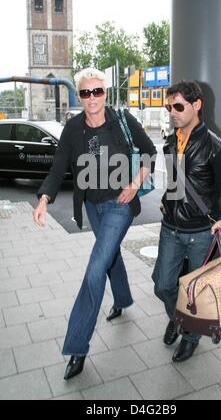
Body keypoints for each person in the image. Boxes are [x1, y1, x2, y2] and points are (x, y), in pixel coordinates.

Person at [33, 67, 156, 380]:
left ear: (105, 92)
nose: (92, 98)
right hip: (92, 205)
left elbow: (150, 152)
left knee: (95, 267)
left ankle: (77, 347)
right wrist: (44, 199)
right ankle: (124, 298)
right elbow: (59, 166)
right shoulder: (73, 128)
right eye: (85, 93)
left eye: (97, 91)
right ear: (79, 95)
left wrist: (133, 184)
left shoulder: (123, 121)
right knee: (109, 255)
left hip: (121, 204)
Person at [152, 80, 221, 362]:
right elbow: (180, 183)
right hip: (171, 227)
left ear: (196, 105)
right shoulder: (172, 142)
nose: (172, 112)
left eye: (178, 106)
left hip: (202, 232)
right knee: (163, 285)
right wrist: (168, 200)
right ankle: (179, 318)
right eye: (169, 107)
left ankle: (189, 335)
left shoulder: (215, 146)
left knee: (196, 291)